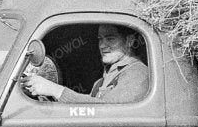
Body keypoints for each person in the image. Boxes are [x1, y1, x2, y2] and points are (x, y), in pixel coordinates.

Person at [21, 25, 150, 106]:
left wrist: (56, 90)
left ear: (130, 41)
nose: (102, 45)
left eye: (110, 39)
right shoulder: (102, 81)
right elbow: (91, 108)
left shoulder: (137, 73)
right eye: (100, 39)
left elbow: (110, 111)